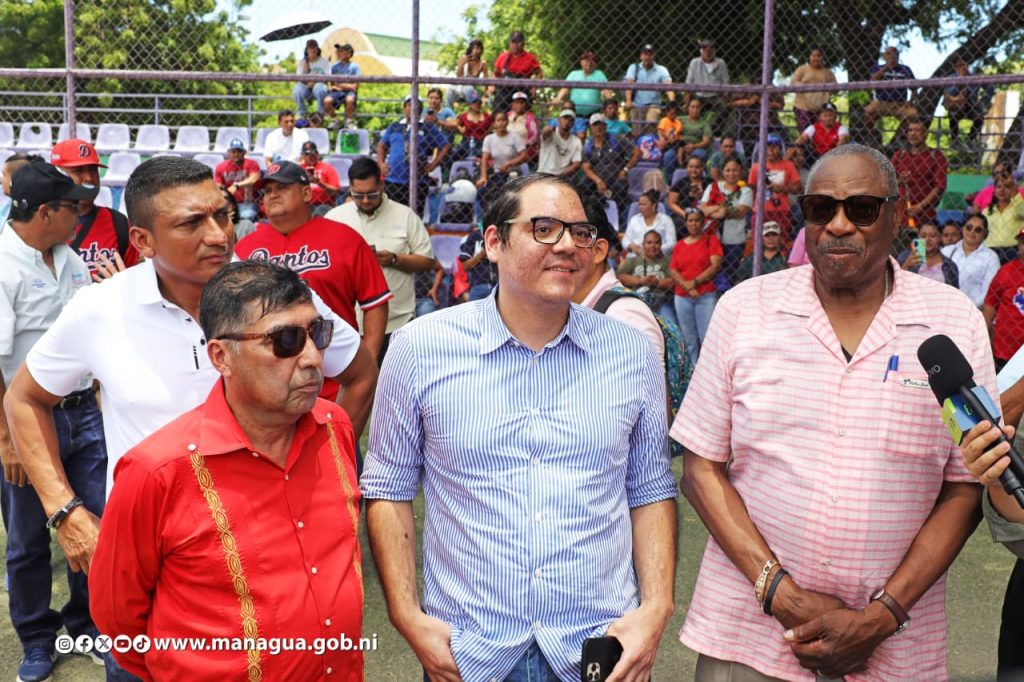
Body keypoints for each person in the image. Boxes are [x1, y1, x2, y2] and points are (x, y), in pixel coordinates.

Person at [676, 143, 990, 681]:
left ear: (897, 213)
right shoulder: (745, 310)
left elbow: (965, 488)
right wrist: (781, 595)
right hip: (750, 635)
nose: (838, 225)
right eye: (821, 208)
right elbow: (700, 467)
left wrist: (881, 616)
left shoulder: (953, 324)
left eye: (862, 209)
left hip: (895, 648)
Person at [361, 174, 677, 682]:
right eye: (544, 228)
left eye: (580, 232)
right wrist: (406, 614)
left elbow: (649, 488)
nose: (568, 245)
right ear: (494, 242)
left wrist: (657, 606)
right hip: (470, 649)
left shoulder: (632, 351)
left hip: (598, 646)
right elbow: (388, 489)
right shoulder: (419, 348)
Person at [2, 156, 376, 580]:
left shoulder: (283, 297)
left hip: (276, 541)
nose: (218, 235)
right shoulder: (99, 309)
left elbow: (361, 373)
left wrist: (323, 460)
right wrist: (64, 510)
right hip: (153, 555)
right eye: (191, 223)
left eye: (222, 215)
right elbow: (24, 398)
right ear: (143, 240)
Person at [88, 261, 365, 681]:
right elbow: (119, 618)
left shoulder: (334, 427)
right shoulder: (157, 472)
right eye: (286, 340)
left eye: (318, 333)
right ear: (221, 357)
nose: (312, 358)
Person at [0, 162, 107, 682]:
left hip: (83, 412)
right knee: (27, 540)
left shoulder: (71, 259)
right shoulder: (3, 265)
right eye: (72, 207)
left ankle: (86, 624)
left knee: (96, 521)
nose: (79, 215)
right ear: (46, 212)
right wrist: (8, 440)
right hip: (26, 420)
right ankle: (37, 639)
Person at [236, 159, 390, 372]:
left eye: (282, 187)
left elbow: (376, 303)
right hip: (267, 373)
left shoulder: (345, 238)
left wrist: (367, 364)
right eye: (267, 190)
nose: (273, 194)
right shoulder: (244, 248)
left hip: (334, 372)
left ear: (307, 193)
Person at [326, 157, 437, 360]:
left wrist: (394, 259)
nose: (365, 200)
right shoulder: (335, 218)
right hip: (346, 323)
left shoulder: (405, 216)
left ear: (382, 185)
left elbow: (427, 261)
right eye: (358, 195)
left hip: (396, 323)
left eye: (372, 194)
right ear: (350, 188)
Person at [576, 197, 666, 364]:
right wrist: (640, 280)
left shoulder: (626, 319)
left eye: (577, 235)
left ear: (598, 250)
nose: (557, 247)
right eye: (545, 231)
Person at [50, 138, 139, 275]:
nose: (89, 178)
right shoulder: (42, 223)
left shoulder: (119, 223)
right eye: (78, 171)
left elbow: (135, 277)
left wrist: (121, 283)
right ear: (58, 175)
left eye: (93, 170)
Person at [377, 95, 450, 211]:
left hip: (418, 182)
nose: (413, 108)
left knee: (414, 215)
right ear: (404, 108)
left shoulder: (427, 127)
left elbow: (445, 146)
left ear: (421, 109)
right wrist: (381, 164)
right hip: (393, 179)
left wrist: (433, 165)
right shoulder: (395, 126)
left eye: (417, 105)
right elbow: (382, 145)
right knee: (392, 213)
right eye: (410, 105)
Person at [670, 208, 722, 364]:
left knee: (706, 337)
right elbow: (673, 270)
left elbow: (715, 265)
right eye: (690, 220)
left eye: (697, 220)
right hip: (682, 296)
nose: (693, 224)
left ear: (703, 222)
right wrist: (688, 286)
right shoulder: (679, 245)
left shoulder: (711, 240)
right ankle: (692, 371)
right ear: (686, 223)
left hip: (705, 295)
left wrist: (695, 282)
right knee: (689, 338)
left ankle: (709, 369)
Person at [700, 157, 752, 285]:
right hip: (712, 238)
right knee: (711, 274)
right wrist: (720, 211)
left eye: (735, 170)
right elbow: (703, 209)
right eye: (728, 170)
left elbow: (740, 211)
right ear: (722, 171)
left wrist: (716, 211)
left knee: (730, 275)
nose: (731, 173)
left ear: (741, 171)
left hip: (734, 241)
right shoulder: (713, 187)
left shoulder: (746, 191)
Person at [891, 119, 947, 229]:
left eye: (917, 130)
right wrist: (900, 181)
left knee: (921, 240)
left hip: (925, 215)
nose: (913, 134)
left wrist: (920, 206)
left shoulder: (936, 156)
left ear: (926, 134)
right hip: (898, 215)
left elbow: (939, 187)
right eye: (910, 130)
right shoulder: (899, 155)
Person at [747, 134, 802, 242]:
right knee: (758, 241)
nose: (771, 150)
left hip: (782, 210)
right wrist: (754, 208)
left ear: (781, 149)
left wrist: (782, 188)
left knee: (782, 241)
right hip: (760, 210)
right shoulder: (756, 167)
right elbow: (752, 189)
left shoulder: (788, 165)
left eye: (774, 146)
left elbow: (798, 188)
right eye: (767, 146)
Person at [984, 227, 1024, 371]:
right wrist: (986, 341)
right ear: (1019, 246)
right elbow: (990, 305)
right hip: (1006, 351)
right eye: (1023, 242)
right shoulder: (1006, 271)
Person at [618, 229, 676, 323]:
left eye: (656, 243)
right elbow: (620, 277)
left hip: (662, 301)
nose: (653, 246)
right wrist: (640, 280)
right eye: (649, 243)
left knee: (671, 324)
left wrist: (657, 282)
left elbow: (674, 282)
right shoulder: (633, 261)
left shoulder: (668, 261)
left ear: (661, 245)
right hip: (637, 301)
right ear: (643, 244)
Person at [942, 213, 1000, 308]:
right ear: (962, 229)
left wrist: (968, 307)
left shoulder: (991, 257)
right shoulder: (947, 251)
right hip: (945, 306)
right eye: (969, 227)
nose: (972, 232)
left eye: (978, 230)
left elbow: (989, 292)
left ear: (985, 234)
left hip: (974, 310)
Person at [579, 113, 628, 219]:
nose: (599, 127)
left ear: (606, 126)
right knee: (583, 185)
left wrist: (626, 169)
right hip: (596, 178)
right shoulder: (588, 145)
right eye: (595, 124)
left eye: (601, 124)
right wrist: (598, 181)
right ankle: (586, 214)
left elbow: (637, 153)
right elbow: (586, 167)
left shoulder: (617, 140)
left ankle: (621, 219)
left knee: (621, 187)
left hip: (615, 177)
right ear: (591, 127)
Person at [477, 111, 530, 207]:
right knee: (482, 192)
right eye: (498, 120)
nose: (501, 122)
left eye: (503, 120)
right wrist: (483, 176)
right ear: (494, 123)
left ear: (507, 122)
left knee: (509, 194)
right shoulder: (489, 139)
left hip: (513, 174)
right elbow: (484, 158)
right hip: (498, 174)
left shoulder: (514, 137)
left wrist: (509, 163)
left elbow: (524, 155)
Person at [864, 46, 918, 132]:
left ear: (898, 56)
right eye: (888, 54)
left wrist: (911, 102)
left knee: (912, 114)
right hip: (881, 102)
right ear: (884, 56)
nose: (891, 56)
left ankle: (904, 136)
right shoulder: (878, 68)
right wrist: (887, 67)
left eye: (894, 54)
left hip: (900, 104)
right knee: (869, 111)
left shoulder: (905, 69)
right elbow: (872, 81)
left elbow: (914, 89)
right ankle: (869, 134)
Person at [623, 44, 674, 134]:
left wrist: (672, 103)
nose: (647, 57)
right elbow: (629, 85)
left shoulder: (661, 70)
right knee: (637, 132)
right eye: (645, 54)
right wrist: (628, 101)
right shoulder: (634, 68)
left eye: (650, 54)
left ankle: (650, 140)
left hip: (654, 105)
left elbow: (669, 88)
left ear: (654, 56)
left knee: (651, 122)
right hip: (637, 104)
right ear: (641, 56)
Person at [684, 39, 730, 134]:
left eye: (710, 49)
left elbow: (726, 82)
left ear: (714, 50)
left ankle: (713, 130)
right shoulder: (695, 62)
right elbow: (689, 82)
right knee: (691, 107)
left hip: (715, 96)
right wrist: (687, 101)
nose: (707, 52)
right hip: (698, 95)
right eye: (704, 49)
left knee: (725, 106)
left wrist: (725, 96)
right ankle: (694, 130)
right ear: (701, 51)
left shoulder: (721, 63)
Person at [944, 57, 989, 148]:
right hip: (957, 106)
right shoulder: (951, 78)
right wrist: (960, 80)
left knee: (979, 118)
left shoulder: (974, 77)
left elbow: (990, 89)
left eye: (963, 65)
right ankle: (954, 140)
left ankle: (970, 140)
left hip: (971, 105)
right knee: (953, 116)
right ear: (955, 67)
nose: (962, 67)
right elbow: (949, 93)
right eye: (959, 66)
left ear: (967, 65)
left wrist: (983, 102)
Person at [492, 31, 543, 112]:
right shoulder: (503, 57)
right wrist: (493, 87)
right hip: (505, 90)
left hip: (522, 89)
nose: (516, 44)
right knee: (499, 112)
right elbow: (495, 74)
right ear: (509, 43)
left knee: (522, 109)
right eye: (513, 42)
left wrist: (534, 88)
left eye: (518, 42)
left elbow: (539, 74)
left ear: (523, 44)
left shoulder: (530, 58)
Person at [552, 50, 612, 118]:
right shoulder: (574, 74)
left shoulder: (599, 74)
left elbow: (606, 91)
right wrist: (558, 98)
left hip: (594, 112)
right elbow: (565, 88)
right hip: (575, 112)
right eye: (587, 60)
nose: (590, 62)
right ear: (581, 62)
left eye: (593, 60)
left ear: (596, 63)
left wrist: (610, 103)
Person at [896, 221, 959, 287]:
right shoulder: (905, 257)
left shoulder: (949, 265)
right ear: (918, 237)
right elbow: (894, 282)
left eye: (932, 236)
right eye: (923, 236)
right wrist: (906, 266)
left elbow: (954, 291)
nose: (927, 239)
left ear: (940, 238)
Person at [790, 48, 838, 132]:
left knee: (819, 133)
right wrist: (804, 86)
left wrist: (830, 88)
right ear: (809, 57)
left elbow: (835, 88)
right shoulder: (802, 69)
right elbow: (793, 82)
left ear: (823, 57)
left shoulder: (827, 72)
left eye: (819, 56)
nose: (816, 58)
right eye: (813, 56)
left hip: (821, 109)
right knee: (805, 132)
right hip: (803, 107)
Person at [213, 137, 261, 222]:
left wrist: (236, 185)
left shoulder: (251, 164)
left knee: (246, 216)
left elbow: (254, 178)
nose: (236, 154)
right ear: (229, 153)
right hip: (230, 203)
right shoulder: (221, 167)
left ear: (244, 152)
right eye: (233, 151)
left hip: (248, 203)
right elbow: (218, 186)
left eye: (239, 151)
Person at [983, 174, 1024, 263]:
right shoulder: (986, 211)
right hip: (990, 250)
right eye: (999, 187)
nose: (1002, 190)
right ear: (994, 190)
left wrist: (1015, 192)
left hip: (1013, 250)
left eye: (1007, 187)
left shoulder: (1018, 207)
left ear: (1012, 189)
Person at [624, 189, 675, 257]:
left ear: (653, 206)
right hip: (636, 257)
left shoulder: (666, 220)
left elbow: (671, 243)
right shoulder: (634, 220)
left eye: (644, 204)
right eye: (640, 204)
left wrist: (652, 250)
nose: (641, 207)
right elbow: (625, 241)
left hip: (659, 257)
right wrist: (631, 246)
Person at [297, 141, 341, 215]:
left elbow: (336, 192)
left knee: (319, 212)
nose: (310, 156)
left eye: (313, 153)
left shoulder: (327, 168)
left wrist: (319, 183)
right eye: (307, 154)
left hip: (324, 204)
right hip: (304, 204)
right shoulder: (299, 169)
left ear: (317, 154)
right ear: (303, 156)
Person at [292, 39, 330, 123]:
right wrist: (305, 70)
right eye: (310, 48)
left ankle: (320, 114)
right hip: (306, 87)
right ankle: (301, 113)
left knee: (319, 88)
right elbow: (299, 79)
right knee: (297, 90)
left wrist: (313, 82)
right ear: (307, 50)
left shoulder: (325, 62)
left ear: (318, 49)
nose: (312, 50)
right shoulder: (303, 62)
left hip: (318, 87)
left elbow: (327, 78)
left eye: (314, 48)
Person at [323, 43, 361, 128]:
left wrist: (339, 85)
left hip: (350, 92)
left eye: (342, 52)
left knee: (350, 99)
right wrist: (346, 85)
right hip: (338, 92)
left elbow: (355, 86)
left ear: (349, 54)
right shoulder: (335, 67)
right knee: (327, 101)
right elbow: (333, 85)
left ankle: (349, 121)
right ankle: (335, 120)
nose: (339, 53)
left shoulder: (355, 67)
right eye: (339, 51)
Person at [668, 155, 709, 231]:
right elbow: (671, 203)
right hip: (684, 214)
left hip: (705, 213)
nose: (694, 170)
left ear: (702, 168)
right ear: (687, 168)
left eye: (697, 167)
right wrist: (684, 214)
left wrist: (701, 196)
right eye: (691, 167)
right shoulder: (680, 183)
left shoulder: (709, 183)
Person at [1, 155, 43, 229]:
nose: (1, 180)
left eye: (4, 174)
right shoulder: (9, 202)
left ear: (15, 178)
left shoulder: (27, 210)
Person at [537, 109, 583, 178]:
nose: (567, 121)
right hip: (543, 173)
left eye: (570, 120)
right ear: (558, 120)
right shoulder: (552, 133)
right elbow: (545, 133)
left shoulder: (576, 141)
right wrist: (549, 129)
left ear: (573, 124)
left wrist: (560, 176)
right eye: (565, 118)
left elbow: (576, 163)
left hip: (560, 177)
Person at [446, 38, 489, 108]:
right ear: (470, 49)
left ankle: (474, 111)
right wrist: (462, 64)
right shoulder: (465, 59)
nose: (475, 50)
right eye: (474, 48)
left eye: (478, 48)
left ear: (481, 50)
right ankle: (449, 113)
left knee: (469, 89)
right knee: (449, 91)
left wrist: (486, 94)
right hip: (460, 87)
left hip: (472, 90)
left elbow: (486, 80)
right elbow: (459, 76)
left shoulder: (483, 63)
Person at [452, 89, 492, 161]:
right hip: (466, 143)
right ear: (469, 104)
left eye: (479, 102)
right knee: (453, 155)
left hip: (482, 143)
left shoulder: (486, 116)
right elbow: (455, 125)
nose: (477, 104)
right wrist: (458, 128)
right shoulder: (463, 116)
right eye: (474, 102)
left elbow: (494, 125)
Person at [457, 226, 495, 301]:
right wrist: (482, 254)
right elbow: (465, 267)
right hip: (478, 285)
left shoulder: (500, 234)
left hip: (499, 285)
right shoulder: (474, 236)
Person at [506, 91, 540, 161]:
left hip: (524, 149)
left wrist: (521, 144)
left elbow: (534, 136)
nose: (519, 105)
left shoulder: (530, 117)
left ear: (526, 105)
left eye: (522, 103)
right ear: (512, 104)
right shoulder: (507, 115)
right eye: (517, 102)